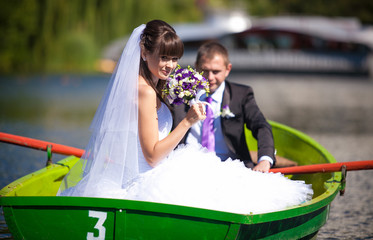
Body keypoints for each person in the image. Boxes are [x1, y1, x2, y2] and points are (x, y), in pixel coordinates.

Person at [58, 20, 312, 215]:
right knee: (235, 194)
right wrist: (188, 121)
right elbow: (153, 155)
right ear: (144, 53)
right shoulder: (145, 91)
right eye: (163, 57)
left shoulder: (156, 84)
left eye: (174, 58)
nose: (169, 65)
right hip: (147, 176)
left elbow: (261, 126)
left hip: (154, 168)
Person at [173, 41, 278, 172]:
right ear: (196, 67)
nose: (210, 77)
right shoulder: (180, 94)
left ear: (227, 69)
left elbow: (261, 126)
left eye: (216, 71)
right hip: (186, 166)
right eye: (204, 70)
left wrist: (264, 160)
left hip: (231, 167)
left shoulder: (241, 94)